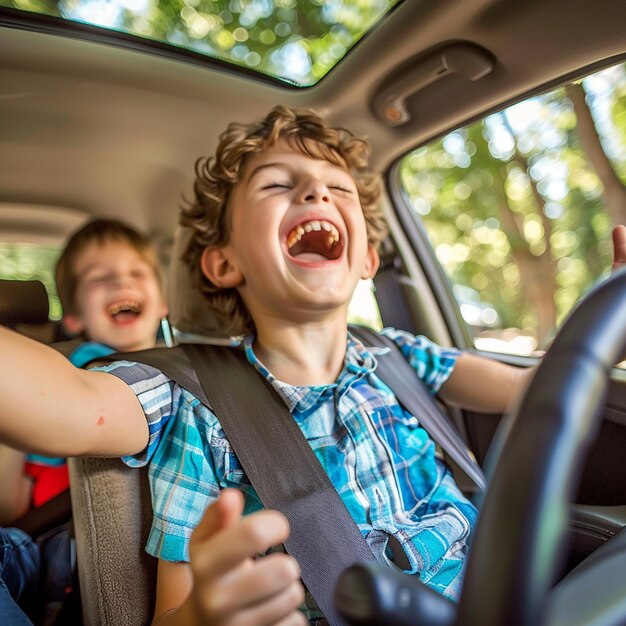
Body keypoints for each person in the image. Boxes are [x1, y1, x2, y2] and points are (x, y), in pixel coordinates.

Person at [0, 107, 624, 626]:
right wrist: (203, 618)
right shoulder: (197, 406)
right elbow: (68, 404)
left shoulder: (397, 355)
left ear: (367, 259)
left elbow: (536, 390)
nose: (316, 191)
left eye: (338, 188)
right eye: (277, 184)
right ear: (223, 264)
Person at [0, 218, 167, 624]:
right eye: (101, 278)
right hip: (50, 552)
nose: (121, 284)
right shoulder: (63, 373)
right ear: (72, 317)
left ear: (164, 303)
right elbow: (10, 507)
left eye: (136, 273)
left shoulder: (196, 369)